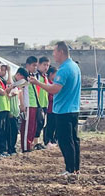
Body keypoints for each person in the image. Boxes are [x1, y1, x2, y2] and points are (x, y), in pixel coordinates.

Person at [30, 42, 81, 176]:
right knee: (74, 140)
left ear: (61, 52)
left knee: (65, 141)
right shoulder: (75, 66)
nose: (53, 55)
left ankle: (70, 169)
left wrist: (37, 83)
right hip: (74, 109)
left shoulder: (64, 69)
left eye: (54, 51)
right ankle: (75, 168)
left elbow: (54, 89)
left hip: (63, 110)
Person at [20, 56, 40, 152]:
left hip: (34, 104)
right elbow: (21, 90)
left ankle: (30, 144)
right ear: (27, 65)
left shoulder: (33, 76)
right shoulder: (24, 76)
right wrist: (22, 104)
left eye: (36, 66)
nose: (35, 67)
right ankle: (25, 147)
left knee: (32, 127)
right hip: (28, 104)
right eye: (33, 65)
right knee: (27, 127)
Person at [33, 57, 51, 150]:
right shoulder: (36, 76)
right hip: (37, 103)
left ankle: (38, 141)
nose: (46, 67)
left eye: (47, 65)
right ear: (39, 65)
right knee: (38, 123)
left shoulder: (45, 76)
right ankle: (35, 142)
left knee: (42, 123)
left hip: (44, 103)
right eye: (44, 65)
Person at [43, 66, 58, 148]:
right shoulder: (47, 83)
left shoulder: (54, 83)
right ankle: (47, 140)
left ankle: (53, 140)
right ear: (51, 74)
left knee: (55, 125)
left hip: (55, 108)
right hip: (49, 108)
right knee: (49, 125)